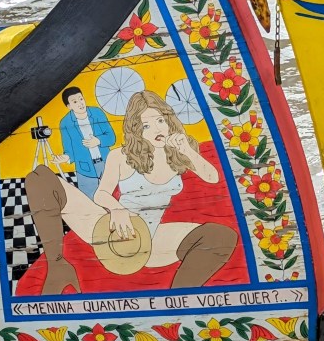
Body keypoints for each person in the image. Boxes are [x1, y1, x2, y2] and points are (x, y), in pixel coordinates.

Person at [26, 89, 238, 295]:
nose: (156, 129)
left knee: (221, 236)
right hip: (111, 229)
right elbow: (101, 194)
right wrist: (117, 209)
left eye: (160, 120)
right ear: (137, 130)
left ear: (169, 121)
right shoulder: (122, 156)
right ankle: (58, 267)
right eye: (146, 125)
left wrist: (188, 151)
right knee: (39, 177)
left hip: (152, 239)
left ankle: (178, 299)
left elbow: (212, 177)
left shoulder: (178, 154)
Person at [53, 86, 116, 199]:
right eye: (75, 102)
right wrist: (66, 157)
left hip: (106, 162)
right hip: (85, 168)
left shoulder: (97, 113)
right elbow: (69, 149)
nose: (80, 103)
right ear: (69, 106)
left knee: (114, 197)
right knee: (90, 200)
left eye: (81, 99)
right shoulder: (65, 123)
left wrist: (98, 141)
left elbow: (111, 138)